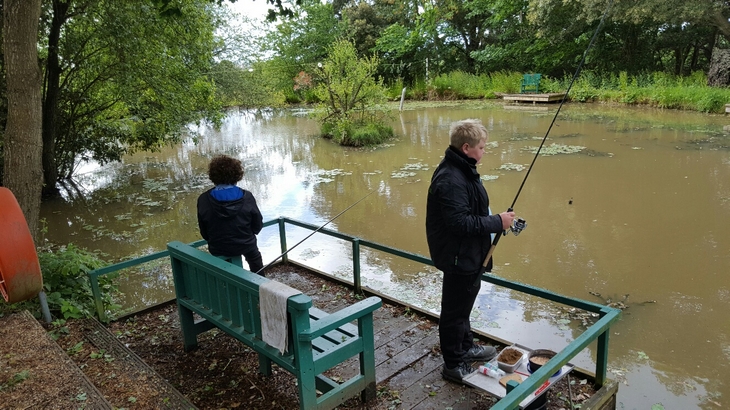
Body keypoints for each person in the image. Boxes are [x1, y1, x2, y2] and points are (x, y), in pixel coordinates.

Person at [425, 119, 516, 384]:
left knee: (464, 305)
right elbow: (459, 223)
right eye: (482, 147)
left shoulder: (462, 168)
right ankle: (453, 364)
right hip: (457, 256)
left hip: (468, 253)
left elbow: (472, 210)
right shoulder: (451, 178)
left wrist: (498, 220)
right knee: (454, 311)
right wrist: (497, 222)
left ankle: (466, 347)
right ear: (467, 148)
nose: (484, 151)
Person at [197, 155, 265, 275]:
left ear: (213, 176)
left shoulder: (203, 199)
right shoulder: (247, 197)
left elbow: (204, 231)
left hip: (218, 247)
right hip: (246, 243)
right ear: (237, 175)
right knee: (255, 259)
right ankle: (260, 284)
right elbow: (257, 224)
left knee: (225, 269)